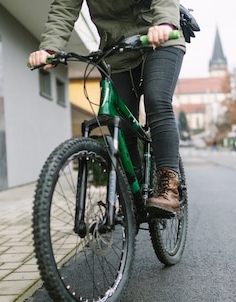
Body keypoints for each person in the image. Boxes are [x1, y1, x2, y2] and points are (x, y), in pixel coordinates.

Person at [29, 0, 186, 217]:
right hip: (117, 50)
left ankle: (169, 185)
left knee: (156, 100)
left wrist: (165, 23)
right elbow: (64, 8)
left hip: (159, 39)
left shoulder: (162, 28)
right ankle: (133, 190)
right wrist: (49, 47)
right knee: (119, 123)